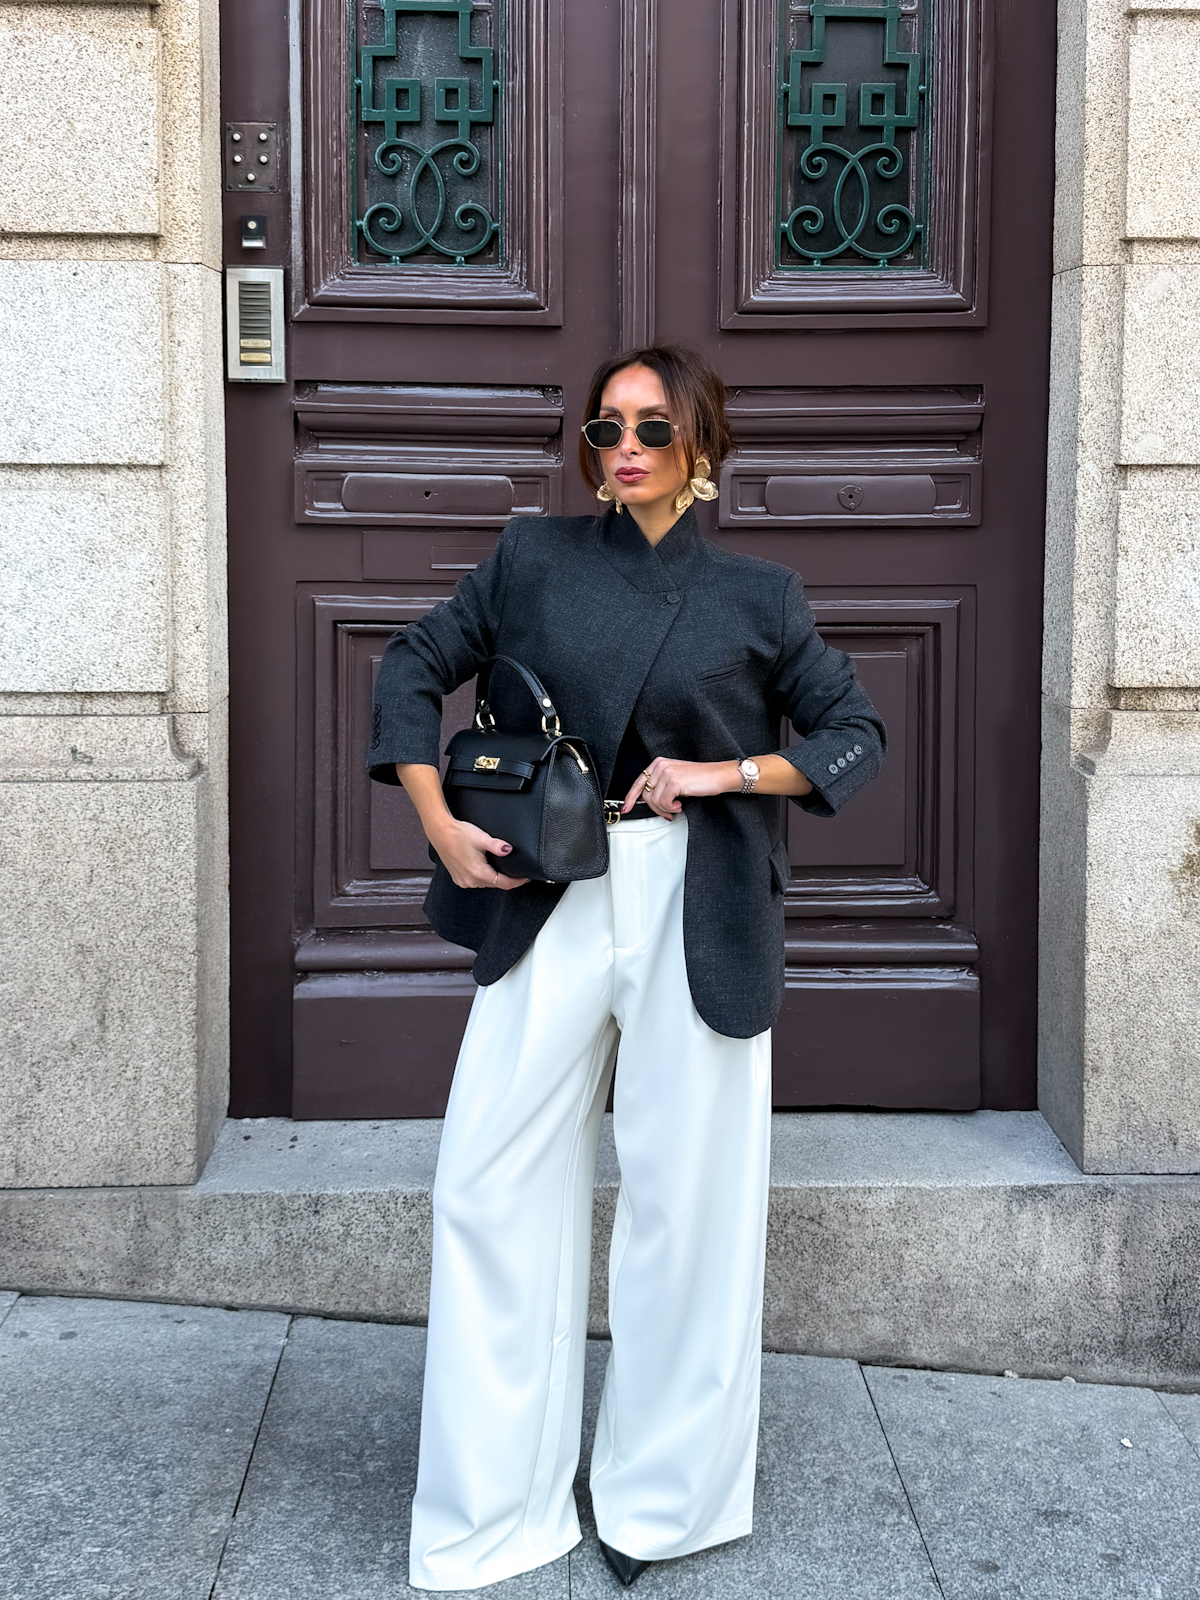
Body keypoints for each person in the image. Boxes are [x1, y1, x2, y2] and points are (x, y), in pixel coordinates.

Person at [367, 343, 886, 1591]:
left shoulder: (761, 595)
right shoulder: (531, 558)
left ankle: (665, 1502)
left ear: (701, 444)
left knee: (689, 1207)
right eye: (608, 428)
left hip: (697, 898)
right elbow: (410, 664)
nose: (628, 447)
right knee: (487, 1184)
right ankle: (496, 1507)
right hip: (548, 887)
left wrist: (723, 772)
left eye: (654, 425)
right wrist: (439, 821)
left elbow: (853, 734)